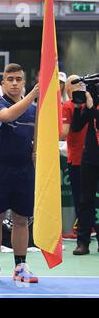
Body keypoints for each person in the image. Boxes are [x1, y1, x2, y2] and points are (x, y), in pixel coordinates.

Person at [0, 63, 39, 284]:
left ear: (23, 82)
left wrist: (36, 153)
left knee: (22, 219)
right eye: (10, 79)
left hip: (24, 169)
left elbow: (36, 134)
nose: (15, 83)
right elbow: (7, 117)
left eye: (18, 79)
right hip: (0, 167)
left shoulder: (34, 110)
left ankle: (20, 266)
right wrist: (33, 96)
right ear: (3, 83)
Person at [71, 86, 99, 255]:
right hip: (89, 158)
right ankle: (83, 242)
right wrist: (77, 107)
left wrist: (90, 108)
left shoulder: (92, 107)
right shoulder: (91, 105)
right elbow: (76, 126)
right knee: (85, 201)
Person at [61, 75, 86, 240]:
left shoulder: (68, 105)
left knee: (79, 196)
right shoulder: (91, 105)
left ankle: (82, 228)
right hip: (83, 157)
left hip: (78, 159)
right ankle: (84, 227)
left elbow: (63, 133)